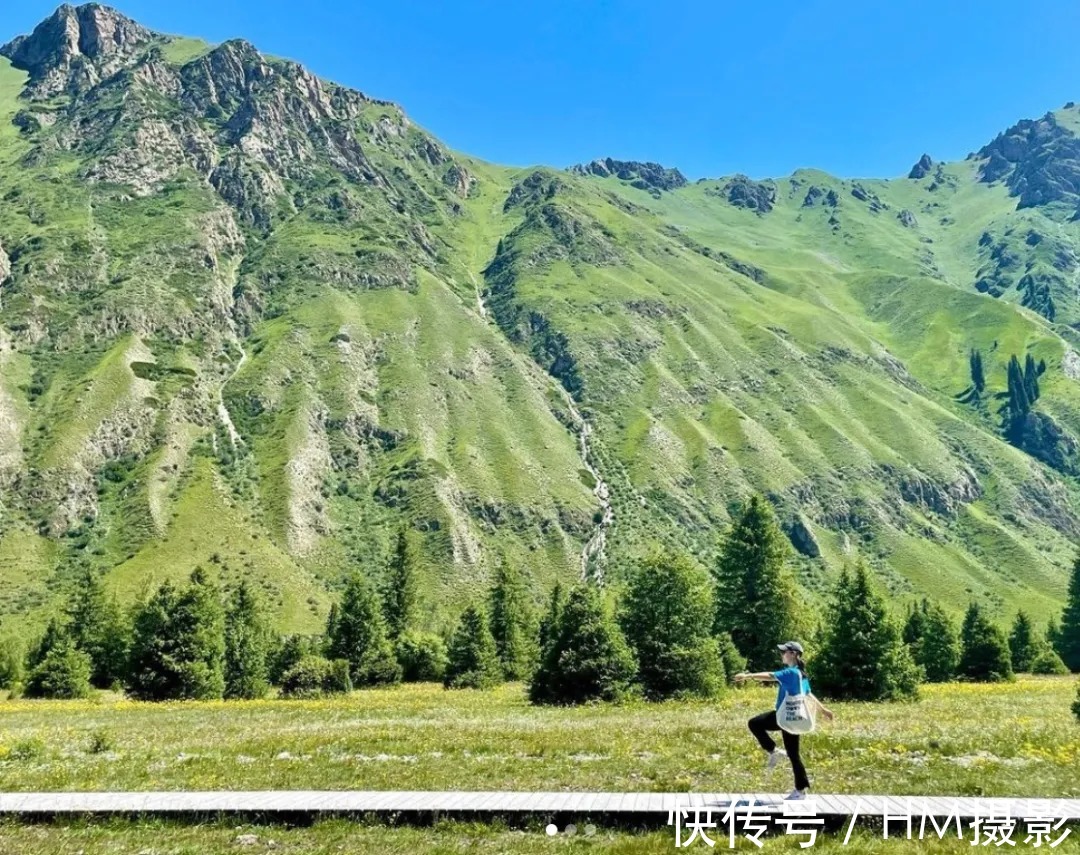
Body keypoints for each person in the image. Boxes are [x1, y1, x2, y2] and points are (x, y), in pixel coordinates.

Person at [734, 641, 834, 800]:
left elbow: (770, 675)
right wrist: (824, 710)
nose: (781, 654)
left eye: (784, 652)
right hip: (794, 717)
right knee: (794, 754)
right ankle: (801, 790)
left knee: (754, 723)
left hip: (784, 716)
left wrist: (747, 675)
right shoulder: (801, 673)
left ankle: (774, 751)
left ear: (793, 654)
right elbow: (808, 694)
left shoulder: (791, 673)